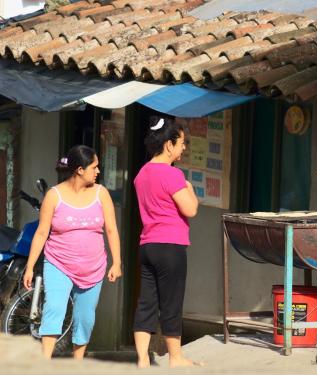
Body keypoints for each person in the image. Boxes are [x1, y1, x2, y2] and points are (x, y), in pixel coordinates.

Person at [23, 145, 122, 359]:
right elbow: (41, 233)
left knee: (85, 318)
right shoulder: (54, 195)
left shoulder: (101, 194)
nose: (98, 171)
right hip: (59, 263)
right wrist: (30, 266)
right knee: (54, 309)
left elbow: (112, 229)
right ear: (79, 169)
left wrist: (117, 262)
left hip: (93, 267)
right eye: (94, 167)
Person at [133, 117, 199, 368]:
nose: (184, 148)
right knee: (171, 302)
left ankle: (142, 359)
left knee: (146, 302)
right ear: (169, 145)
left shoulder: (141, 174)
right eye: (182, 143)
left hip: (147, 245)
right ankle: (175, 358)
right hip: (170, 246)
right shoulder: (173, 174)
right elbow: (190, 209)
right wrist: (189, 187)